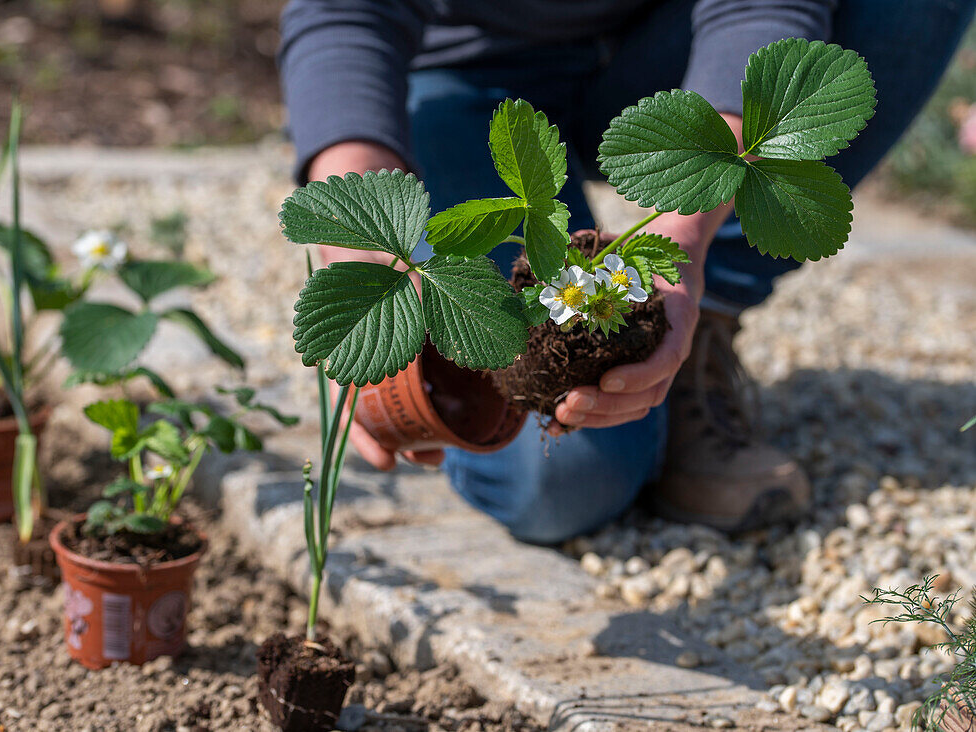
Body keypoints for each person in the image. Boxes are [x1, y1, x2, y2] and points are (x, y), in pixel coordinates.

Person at [278, 0, 976, 544]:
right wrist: (366, 239)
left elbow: (760, 9)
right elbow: (342, 13)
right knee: (566, 484)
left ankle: (698, 319)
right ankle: (522, 393)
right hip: (467, 78)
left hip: (669, 55)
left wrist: (682, 246)